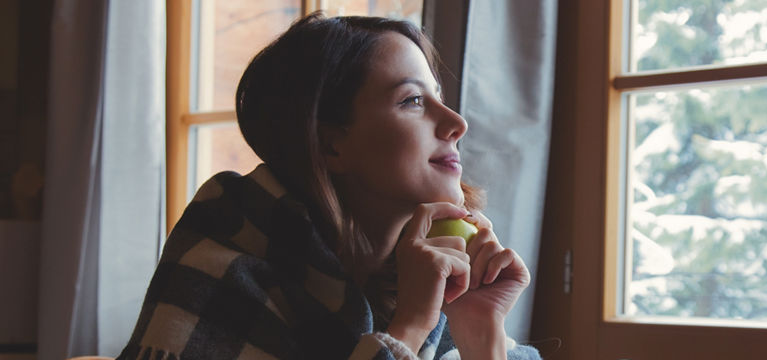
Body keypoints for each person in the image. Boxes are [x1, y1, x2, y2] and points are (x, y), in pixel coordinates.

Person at [118, 13, 540, 360]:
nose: (456, 123)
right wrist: (408, 328)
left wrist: (480, 333)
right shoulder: (223, 276)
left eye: (440, 97)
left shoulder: (432, 280)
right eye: (412, 100)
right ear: (330, 143)